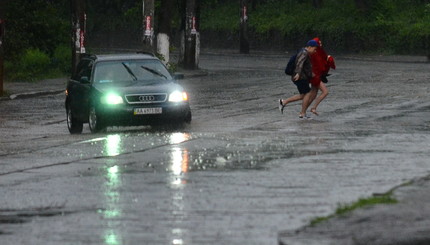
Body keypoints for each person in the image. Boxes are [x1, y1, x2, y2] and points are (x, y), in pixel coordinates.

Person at [279, 40, 318, 118]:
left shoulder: (303, 52)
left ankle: (283, 102)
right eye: (314, 49)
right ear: (309, 47)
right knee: (308, 93)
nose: (315, 51)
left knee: (303, 95)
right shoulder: (304, 53)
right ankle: (302, 114)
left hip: (301, 76)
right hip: (300, 77)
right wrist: (298, 73)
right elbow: (300, 63)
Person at [309, 37, 336, 115]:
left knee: (313, 94)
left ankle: (304, 111)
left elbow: (322, 62)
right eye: (319, 43)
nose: (320, 44)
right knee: (325, 92)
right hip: (315, 76)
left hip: (316, 75)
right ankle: (312, 108)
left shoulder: (317, 52)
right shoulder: (314, 53)